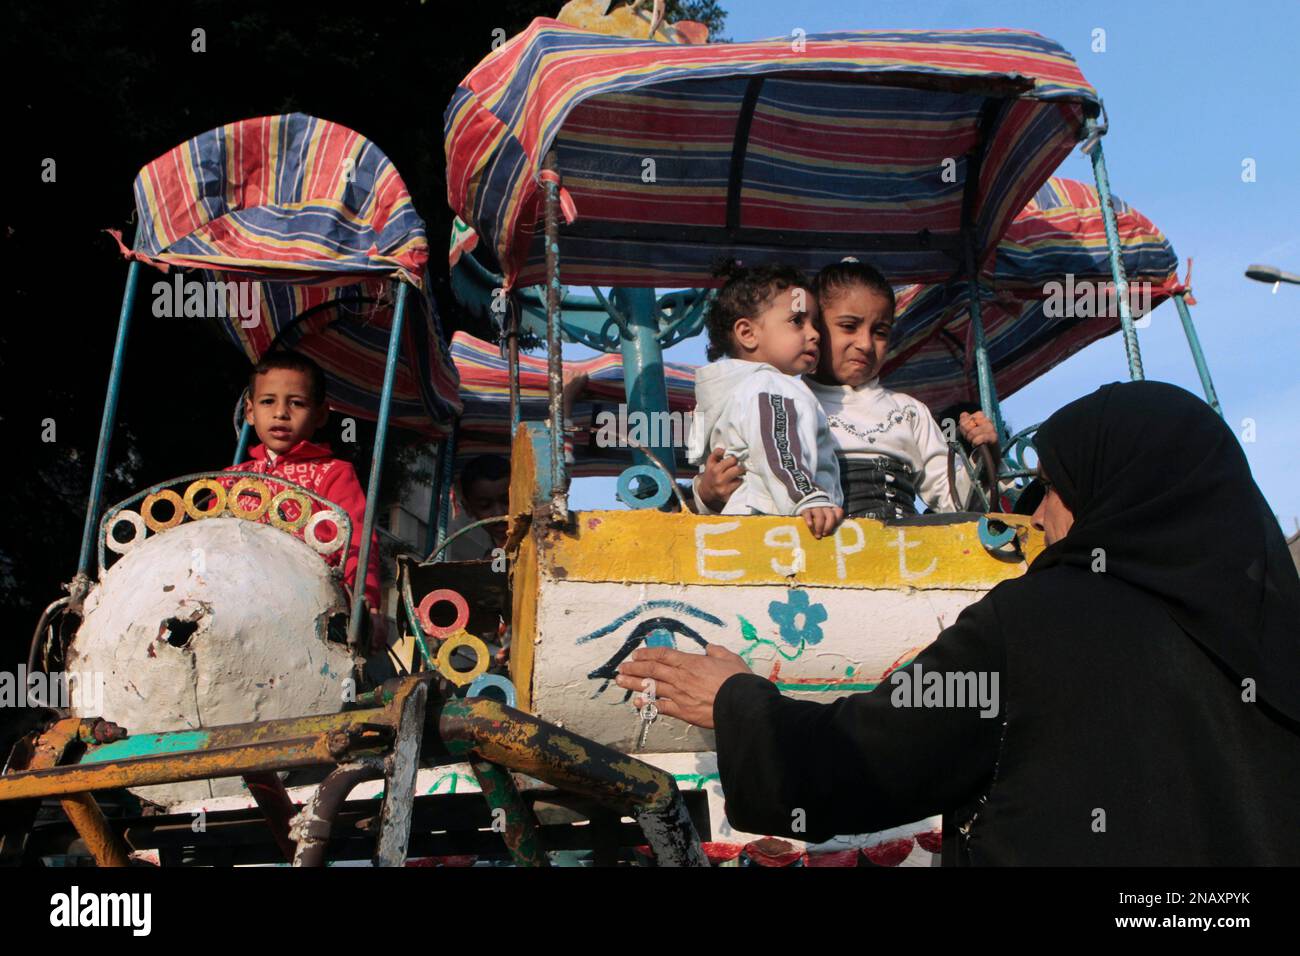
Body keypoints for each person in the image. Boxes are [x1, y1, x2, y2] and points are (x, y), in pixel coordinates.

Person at [615, 381, 1300, 864]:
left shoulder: (1040, 622)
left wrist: (736, 703)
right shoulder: (1274, 634)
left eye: (1055, 486)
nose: (1035, 516)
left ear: (1109, 491)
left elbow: (866, 760)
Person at [697, 260, 999, 519]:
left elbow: (957, 504)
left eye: (880, 332)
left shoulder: (909, 412)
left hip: (902, 557)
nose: (866, 344)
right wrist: (708, 493)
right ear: (817, 330)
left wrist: (983, 456)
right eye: (848, 326)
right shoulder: (780, 401)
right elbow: (736, 474)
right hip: (818, 563)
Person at [224, 350, 385, 645]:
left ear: (321, 414)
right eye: (267, 401)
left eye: (296, 403)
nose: (281, 413)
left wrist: (365, 597)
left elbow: (358, 540)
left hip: (306, 611)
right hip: (233, 606)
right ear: (250, 411)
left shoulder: (334, 473)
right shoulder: (231, 478)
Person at [686, 263, 843, 539]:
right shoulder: (771, 384)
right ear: (748, 333)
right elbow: (779, 446)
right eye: (797, 321)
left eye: (815, 324)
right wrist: (808, 498)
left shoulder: (726, 395)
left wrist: (704, 495)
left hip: (738, 527)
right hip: (778, 527)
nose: (815, 334)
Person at [441, 454, 510, 562]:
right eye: (485, 506)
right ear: (468, 509)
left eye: (507, 501)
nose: (499, 513)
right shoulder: (493, 557)